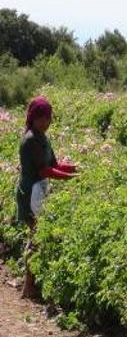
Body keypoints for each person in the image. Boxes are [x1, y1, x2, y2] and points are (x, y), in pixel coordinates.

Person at [16, 96, 78, 299]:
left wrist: (76, 169)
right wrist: (69, 178)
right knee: (36, 236)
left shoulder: (43, 137)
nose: (46, 122)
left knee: (38, 235)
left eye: (48, 118)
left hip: (39, 190)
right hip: (30, 192)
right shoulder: (31, 140)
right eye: (41, 118)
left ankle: (31, 283)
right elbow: (44, 170)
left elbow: (54, 164)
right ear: (33, 118)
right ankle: (29, 285)